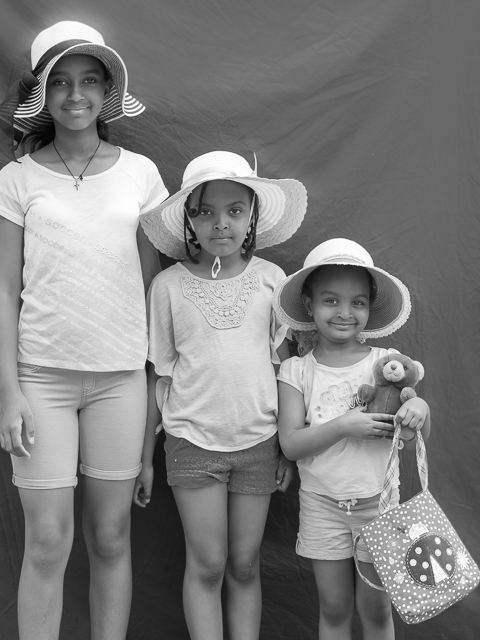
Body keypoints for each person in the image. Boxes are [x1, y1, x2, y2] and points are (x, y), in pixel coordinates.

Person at [0, 21, 169, 640]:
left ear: (107, 90)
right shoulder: (16, 179)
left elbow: (153, 291)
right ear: (42, 93)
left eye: (90, 80)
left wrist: (152, 395)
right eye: (61, 82)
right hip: (40, 379)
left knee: (111, 535)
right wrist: (9, 391)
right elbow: (4, 290)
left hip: (120, 380)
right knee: (47, 540)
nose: (76, 95)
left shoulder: (142, 174)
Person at [134, 150, 308, 640]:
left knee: (245, 565)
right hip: (191, 441)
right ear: (188, 219)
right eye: (205, 212)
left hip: (259, 442)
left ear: (252, 215)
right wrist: (144, 459)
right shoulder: (167, 286)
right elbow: (157, 374)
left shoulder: (272, 281)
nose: (221, 223)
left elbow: (287, 371)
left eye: (234, 210)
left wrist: (288, 448)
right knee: (208, 564)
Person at [273, 238, 431, 640]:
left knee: (376, 608)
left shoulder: (386, 364)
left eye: (357, 303)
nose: (345, 313)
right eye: (331, 301)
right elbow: (290, 444)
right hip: (321, 506)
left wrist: (420, 411)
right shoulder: (296, 371)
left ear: (369, 307)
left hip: (378, 504)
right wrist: (344, 425)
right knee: (335, 606)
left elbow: (412, 436)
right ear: (309, 304)